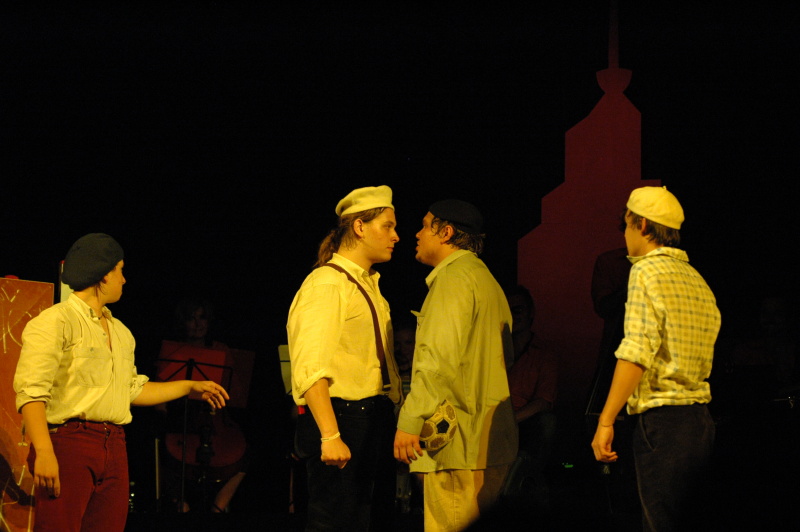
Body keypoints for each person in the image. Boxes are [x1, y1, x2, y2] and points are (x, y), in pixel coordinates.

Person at [13, 233, 229, 532]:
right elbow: (31, 392)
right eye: (120, 270)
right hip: (70, 442)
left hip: (114, 443)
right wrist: (45, 451)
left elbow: (131, 389)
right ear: (103, 274)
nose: (124, 280)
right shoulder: (55, 322)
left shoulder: (121, 332)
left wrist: (190, 386)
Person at [590, 187, 721, 531]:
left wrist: (606, 420)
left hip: (663, 424)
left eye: (626, 224)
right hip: (701, 422)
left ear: (643, 224)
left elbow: (637, 349)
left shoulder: (646, 272)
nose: (624, 233)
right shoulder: (697, 279)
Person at [394, 199, 518, 532]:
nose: (417, 234)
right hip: (489, 442)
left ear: (446, 232)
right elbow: (506, 359)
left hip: (458, 444)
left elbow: (437, 359)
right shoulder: (486, 281)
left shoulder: (452, 280)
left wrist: (410, 419)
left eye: (425, 226)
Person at [287, 185, 403, 531]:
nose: (395, 236)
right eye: (388, 226)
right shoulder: (327, 283)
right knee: (337, 522)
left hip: (371, 418)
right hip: (343, 418)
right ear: (360, 227)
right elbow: (310, 366)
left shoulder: (367, 285)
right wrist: (330, 434)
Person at [159, 298, 248, 514]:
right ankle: (180, 503)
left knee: (246, 453)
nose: (198, 324)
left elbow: (235, 392)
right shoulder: (174, 351)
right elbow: (160, 393)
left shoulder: (220, 349)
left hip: (215, 417)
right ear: (183, 322)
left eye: (202, 318)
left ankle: (218, 507)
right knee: (160, 449)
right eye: (191, 319)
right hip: (181, 416)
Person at [503, 284, 558, 508]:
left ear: (530, 312)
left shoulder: (543, 354)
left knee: (547, 423)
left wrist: (512, 420)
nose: (513, 316)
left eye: (518, 310)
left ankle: (528, 480)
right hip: (493, 419)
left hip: (522, 422)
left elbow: (544, 401)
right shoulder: (492, 350)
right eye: (508, 310)